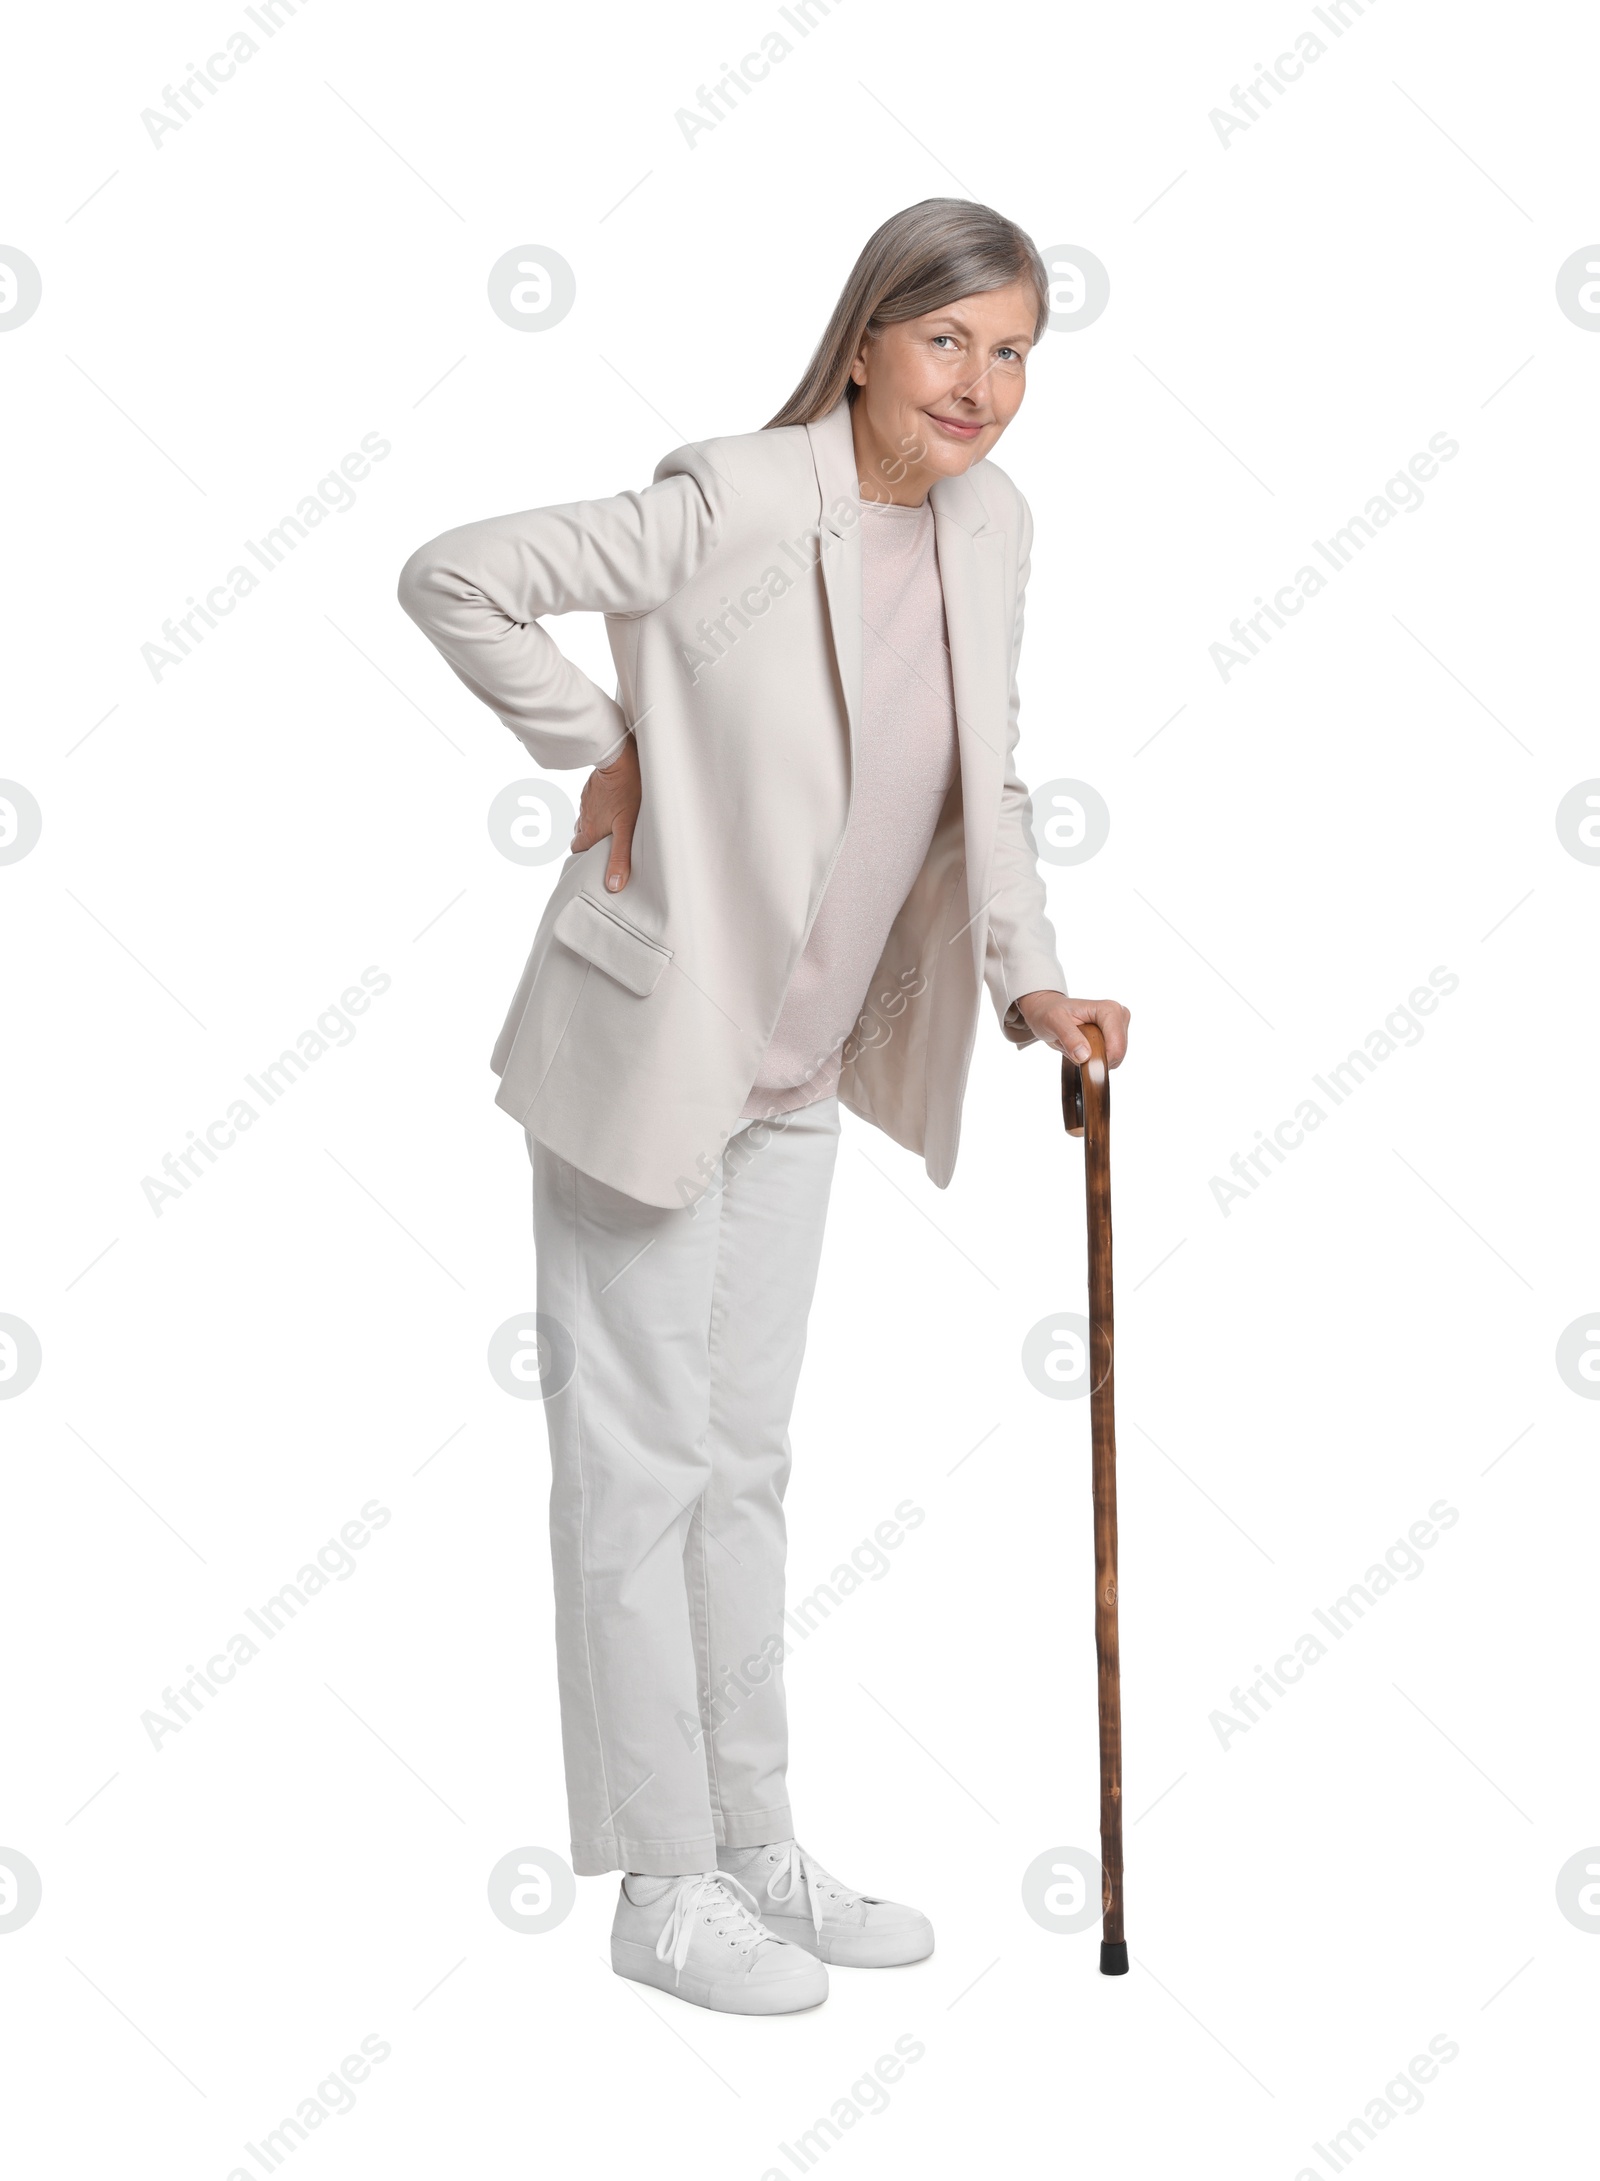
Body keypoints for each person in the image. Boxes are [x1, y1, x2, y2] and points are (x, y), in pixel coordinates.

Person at [397, 197, 1131, 2016]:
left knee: (746, 1468)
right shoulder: (731, 497)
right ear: (870, 338)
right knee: (640, 1478)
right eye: (951, 340)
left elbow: (993, 777)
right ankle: (661, 1888)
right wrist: (603, 748)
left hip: (799, 1069)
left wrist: (1029, 978)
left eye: (1019, 349)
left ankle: (754, 1840)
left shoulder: (993, 526)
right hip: (654, 1050)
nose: (984, 385)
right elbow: (456, 570)